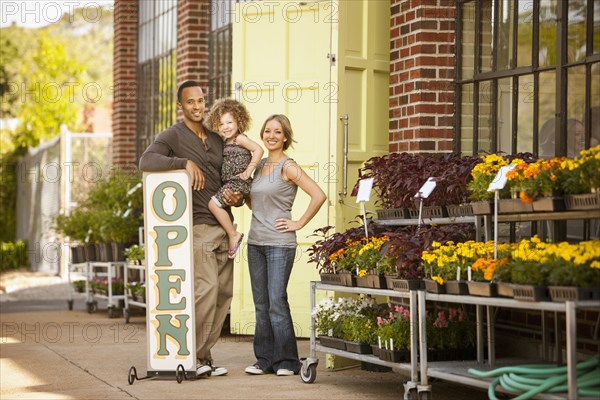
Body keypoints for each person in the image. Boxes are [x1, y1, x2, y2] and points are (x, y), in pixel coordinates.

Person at [139, 80, 242, 378]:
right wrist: (183, 162)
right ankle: (189, 356)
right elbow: (146, 160)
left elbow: (229, 174)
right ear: (180, 106)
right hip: (198, 225)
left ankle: (204, 356)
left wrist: (237, 193)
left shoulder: (216, 137)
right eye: (191, 102)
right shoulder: (174, 134)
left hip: (225, 224)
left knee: (223, 294)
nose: (197, 106)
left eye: (201, 101)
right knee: (206, 290)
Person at [243, 114, 326, 377]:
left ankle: (288, 361)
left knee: (276, 301)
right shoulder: (259, 165)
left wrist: (298, 222)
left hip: (280, 244)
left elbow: (319, 194)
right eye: (267, 131)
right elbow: (253, 200)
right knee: (261, 303)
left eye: (277, 132)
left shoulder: (288, 167)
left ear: (285, 137)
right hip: (255, 242)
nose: (271, 136)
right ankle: (264, 360)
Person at [205, 98, 264, 259]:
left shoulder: (240, 139)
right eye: (221, 124)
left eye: (229, 122)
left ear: (239, 121)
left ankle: (233, 234)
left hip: (238, 182)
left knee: (213, 204)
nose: (226, 127)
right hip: (233, 183)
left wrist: (248, 171)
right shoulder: (225, 142)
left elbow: (258, 150)